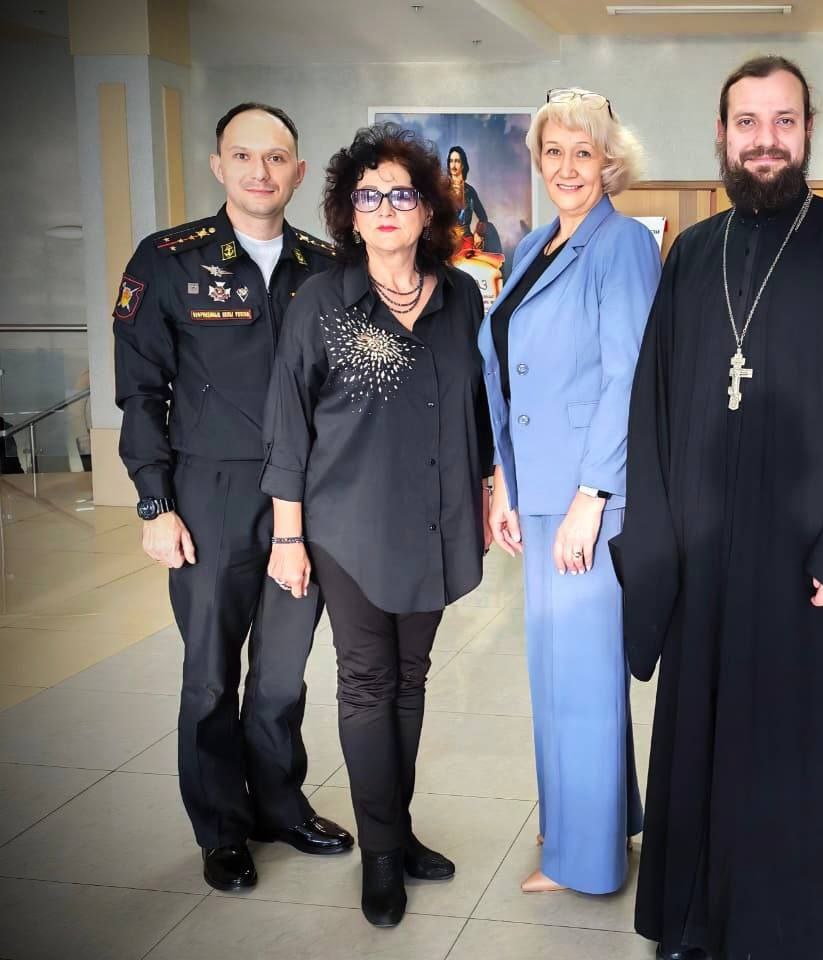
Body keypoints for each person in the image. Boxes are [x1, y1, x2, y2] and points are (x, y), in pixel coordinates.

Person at [611, 57, 823, 960]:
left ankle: (807, 926)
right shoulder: (693, 255)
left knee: (805, 750)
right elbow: (654, 406)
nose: (765, 141)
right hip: (707, 558)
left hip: (811, 564)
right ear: (721, 134)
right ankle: (698, 920)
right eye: (747, 122)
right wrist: (663, 541)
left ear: (808, 130)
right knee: (705, 734)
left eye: (783, 121)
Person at [112, 102, 353, 893]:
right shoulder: (168, 261)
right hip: (209, 492)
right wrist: (155, 504)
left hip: (303, 501)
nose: (260, 171)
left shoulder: (325, 267)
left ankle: (279, 805)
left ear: (298, 170)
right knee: (210, 675)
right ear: (219, 165)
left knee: (282, 673)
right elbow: (141, 392)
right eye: (243, 156)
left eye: (276, 157)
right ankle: (221, 827)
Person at [261, 122, 492, 928]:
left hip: (434, 522)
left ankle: (398, 828)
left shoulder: (461, 297)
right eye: (369, 197)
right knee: (367, 681)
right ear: (349, 215)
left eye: (402, 194)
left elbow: (477, 407)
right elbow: (288, 427)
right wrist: (287, 537)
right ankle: (382, 855)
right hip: (346, 527)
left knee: (411, 680)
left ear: (428, 210)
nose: (386, 208)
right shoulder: (321, 304)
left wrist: (489, 487)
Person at [480, 87, 659, 896]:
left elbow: (629, 377)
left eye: (583, 152)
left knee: (580, 678)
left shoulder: (622, 246)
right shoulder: (532, 246)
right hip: (540, 486)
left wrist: (592, 496)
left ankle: (584, 862)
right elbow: (509, 370)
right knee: (560, 674)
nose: (567, 167)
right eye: (553, 152)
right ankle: (597, 822)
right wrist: (505, 483)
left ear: (609, 161)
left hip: (590, 496)